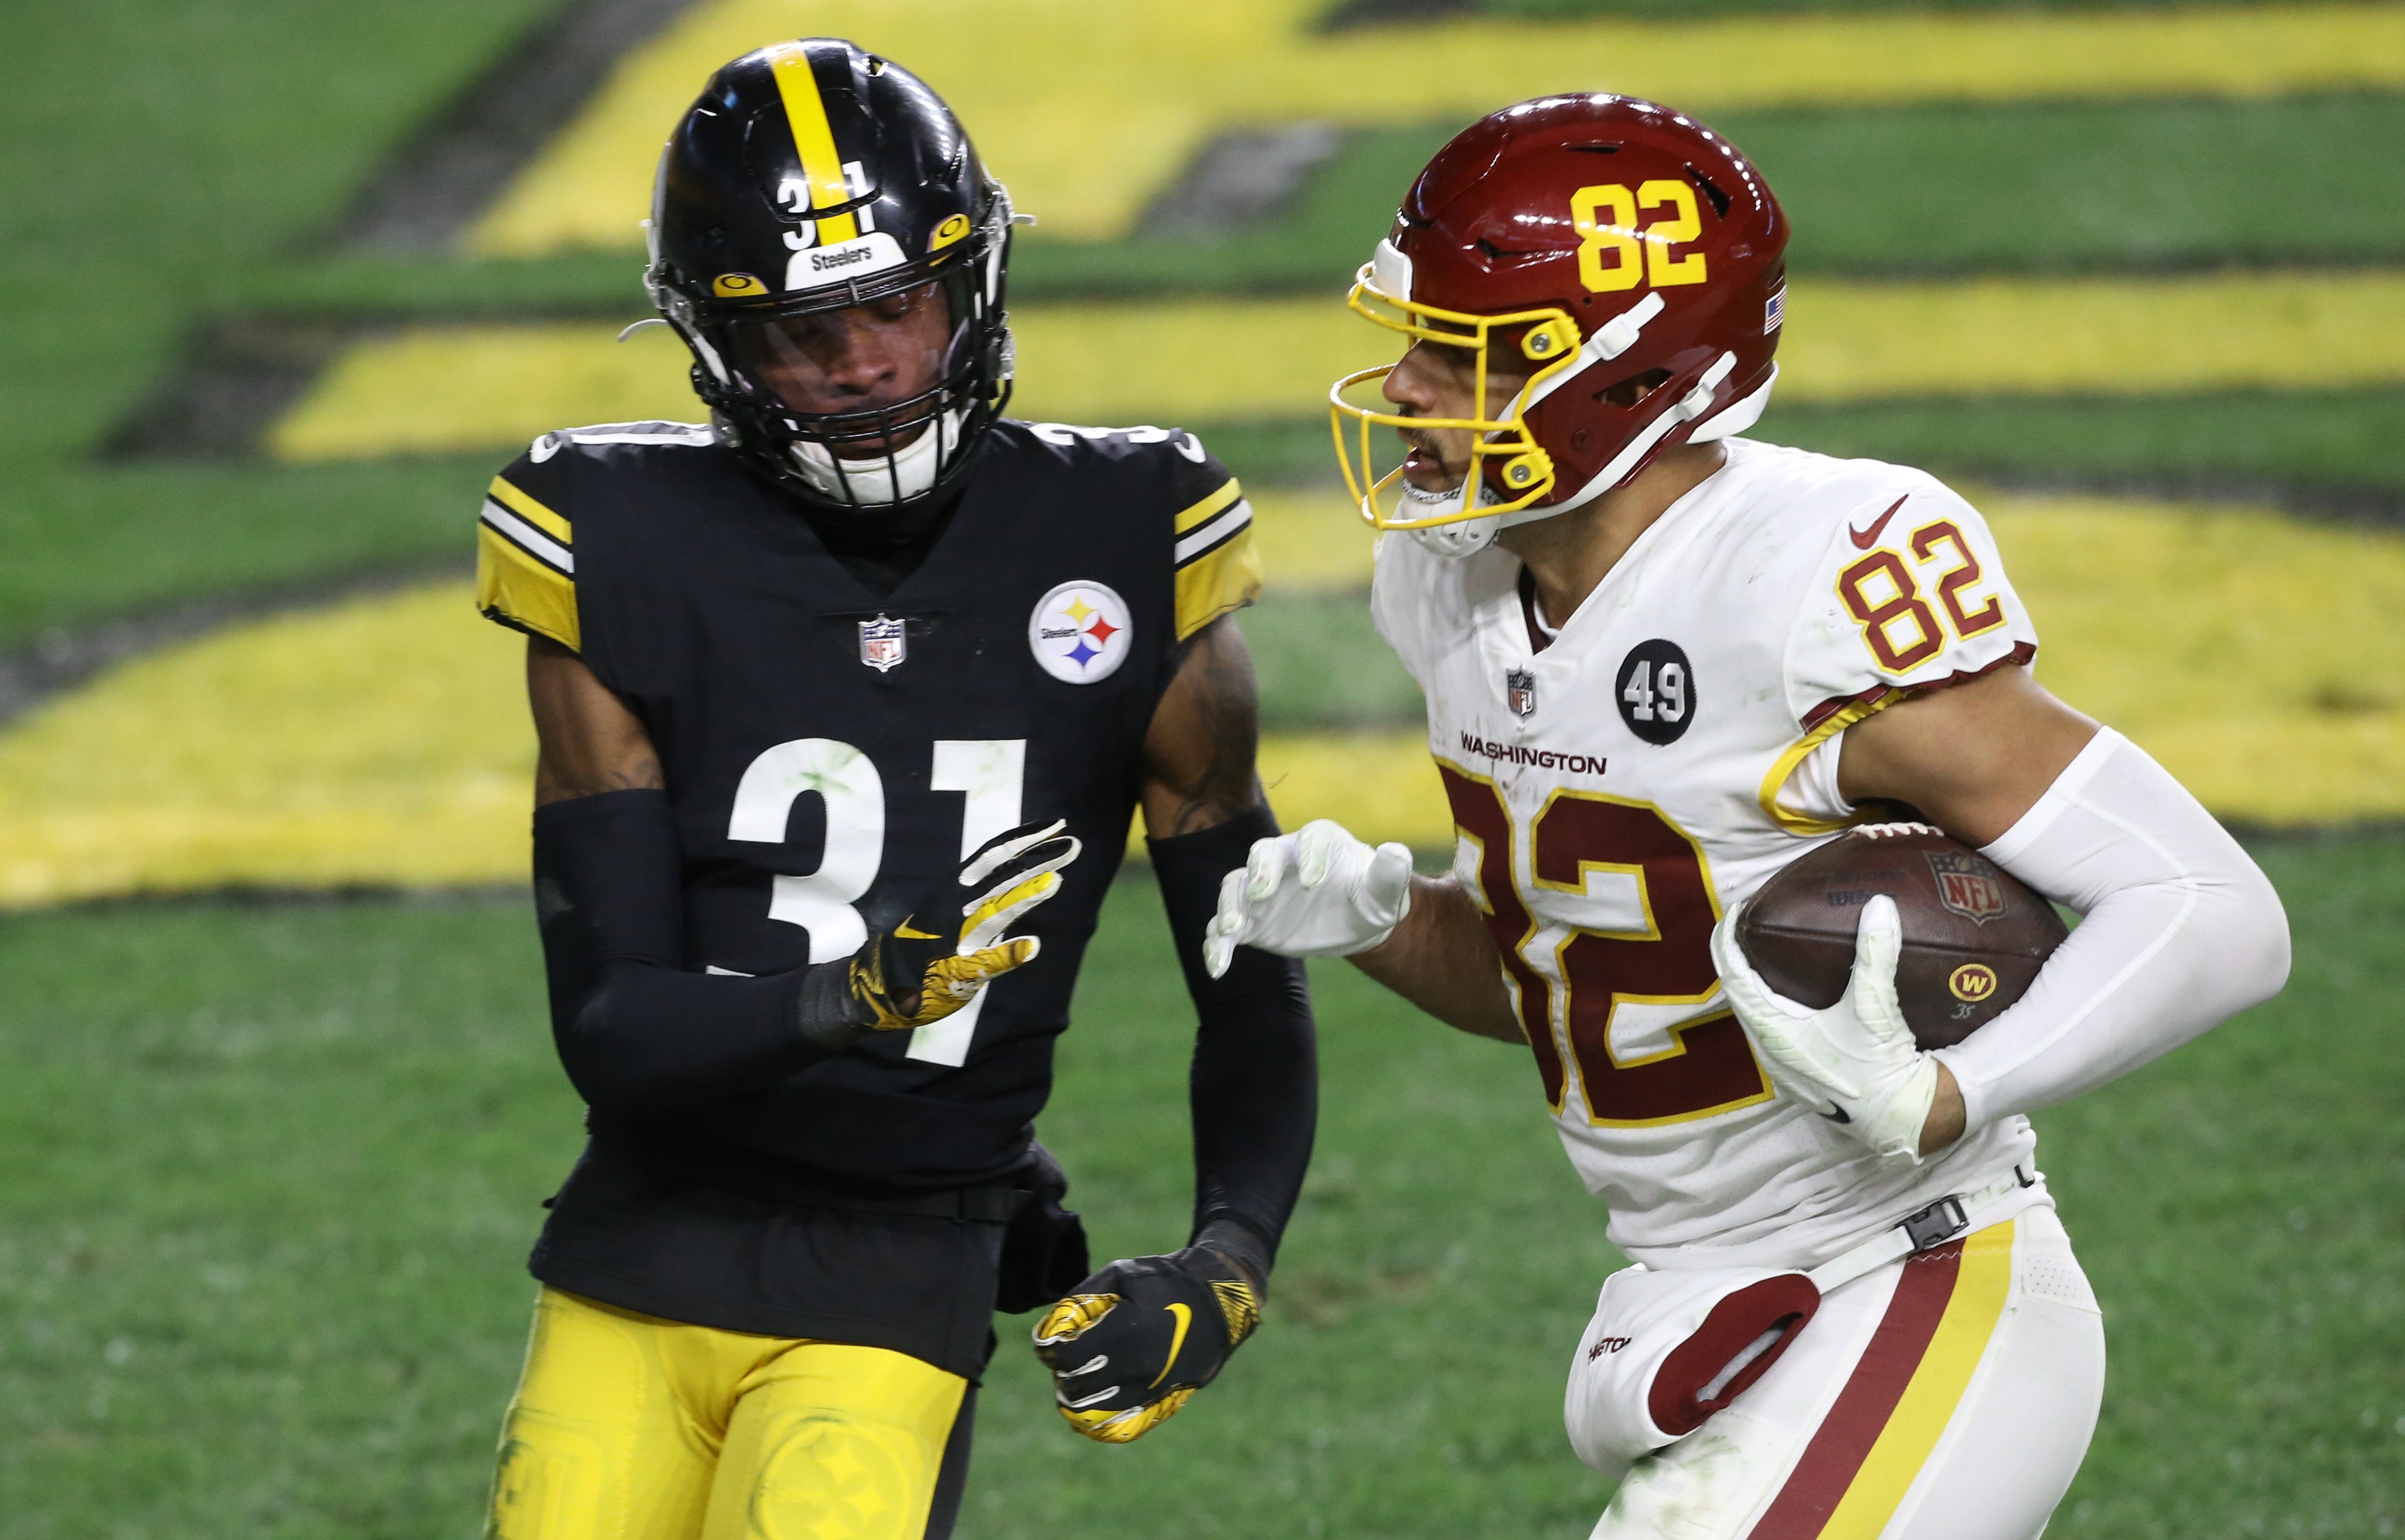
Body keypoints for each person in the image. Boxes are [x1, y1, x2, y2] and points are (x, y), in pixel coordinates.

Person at [1205, 95, 2289, 1539]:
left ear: (1617, 373)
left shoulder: (1802, 580)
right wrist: (1387, 923)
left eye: (1461, 353)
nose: (1404, 387)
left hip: (1908, 1279)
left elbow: (2214, 911)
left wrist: (1950, 1091)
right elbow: (1589, 992)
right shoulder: (1451, 580)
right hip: (1701, 1304)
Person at [469, 38, 1314, 1540]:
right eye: (803, 333)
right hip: (637, 1245)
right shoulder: (615, 532)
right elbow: (612, 1032)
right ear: (717, 343)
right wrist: (856, 994)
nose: (860, 364)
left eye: (894, 308)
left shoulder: (1132, 530)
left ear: (970, 285)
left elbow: (1247, 973)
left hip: (898, 1259)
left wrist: (1229, 1259)